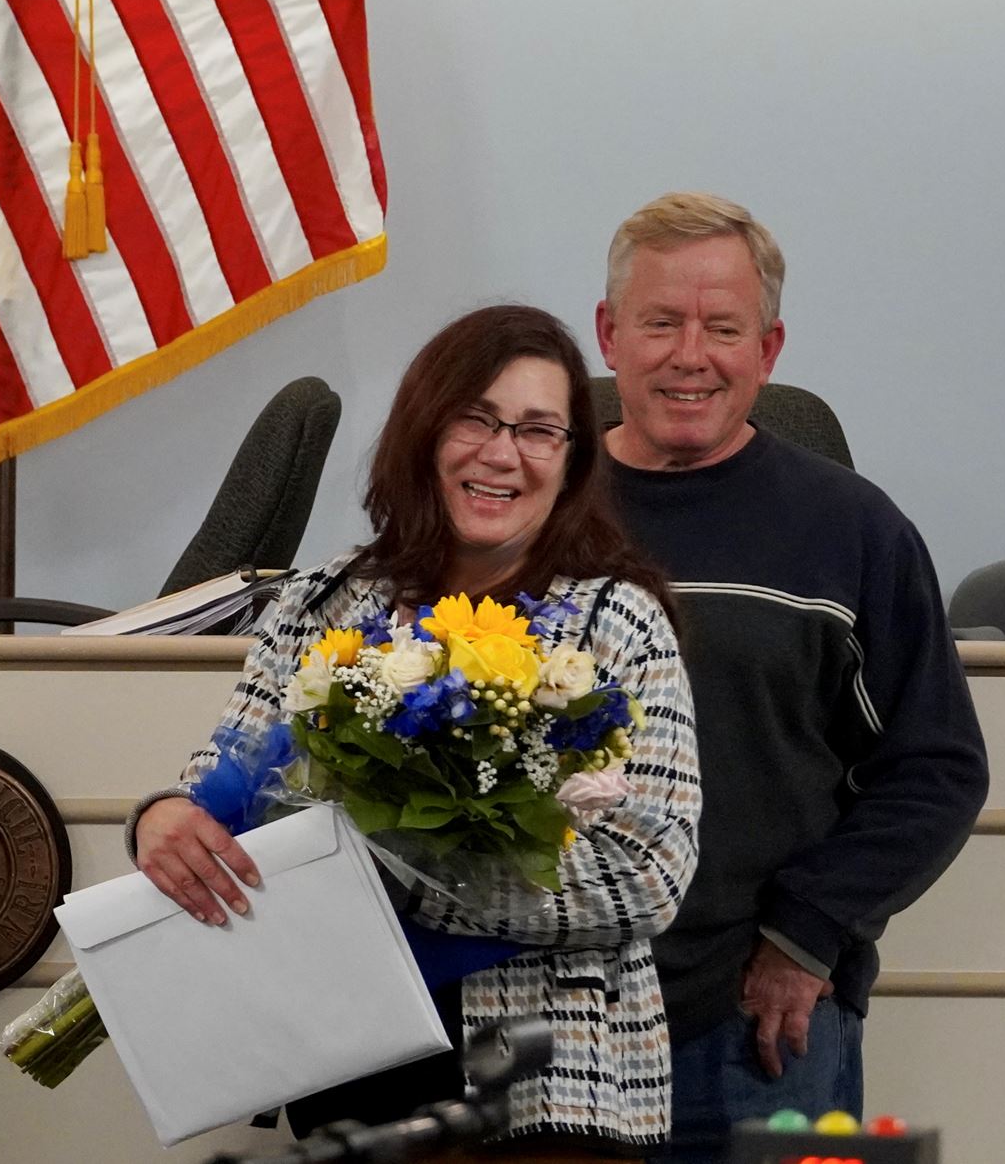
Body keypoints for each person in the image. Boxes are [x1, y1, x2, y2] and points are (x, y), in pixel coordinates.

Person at [132, 305, 703, 1156]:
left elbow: (649, 874)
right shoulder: (324, 599)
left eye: (540, 430)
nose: (503, 452)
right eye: (476, 417)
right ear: (424, 431)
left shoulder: (618, 620)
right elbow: (228, 775)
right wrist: (161, 820)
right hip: (344, 1075)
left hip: (544, 1092)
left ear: (573, 460)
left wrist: (408, 870)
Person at [591, 193, 987, 1162]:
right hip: (544, 1029)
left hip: (760, 1029)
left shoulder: (850, 529)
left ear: (766, 350)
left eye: (721, 327)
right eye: (659, 321)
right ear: (608, 334)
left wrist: (803, 938)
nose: (690, 353)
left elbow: (934, 767)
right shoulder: (517, 513)